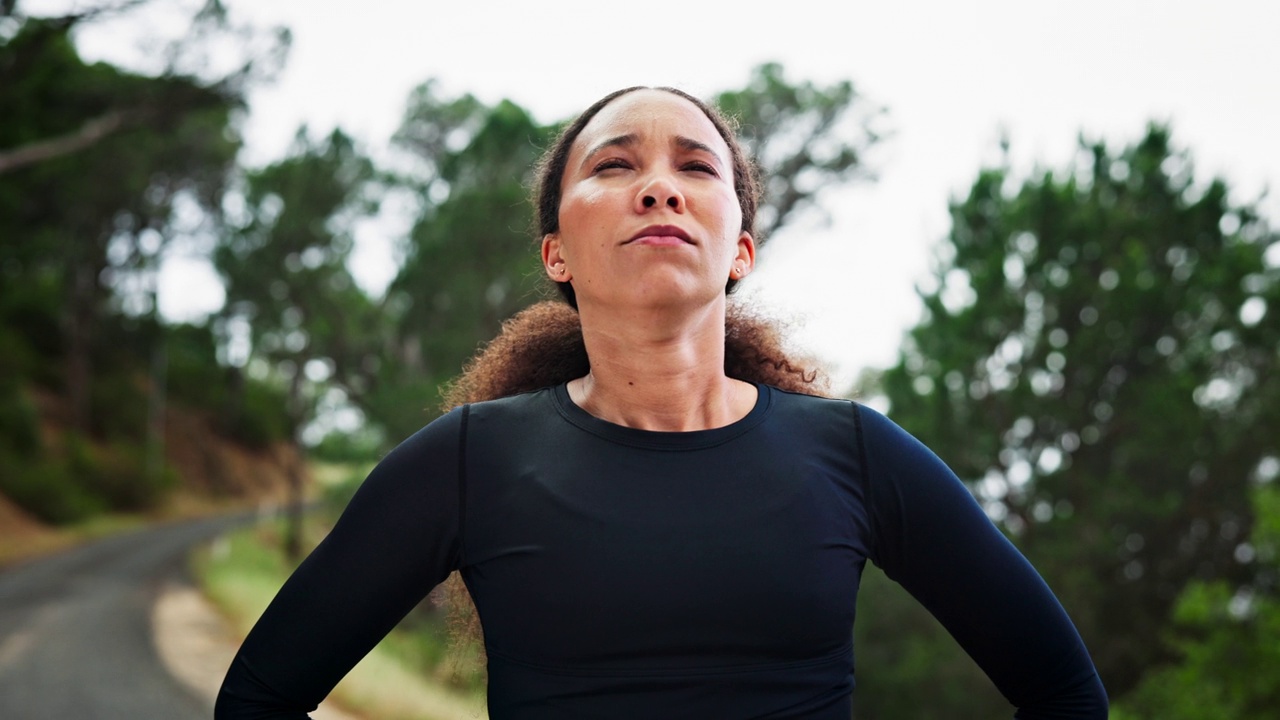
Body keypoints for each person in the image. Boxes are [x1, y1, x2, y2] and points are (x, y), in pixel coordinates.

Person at [215, 87, 1108, 719]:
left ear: (740, 253)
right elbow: (259, 698)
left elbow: (1064, 694)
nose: (658, 185)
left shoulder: (856, 454)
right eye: (614, 165)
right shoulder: (467, 461)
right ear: (556, 253)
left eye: (695, 166)